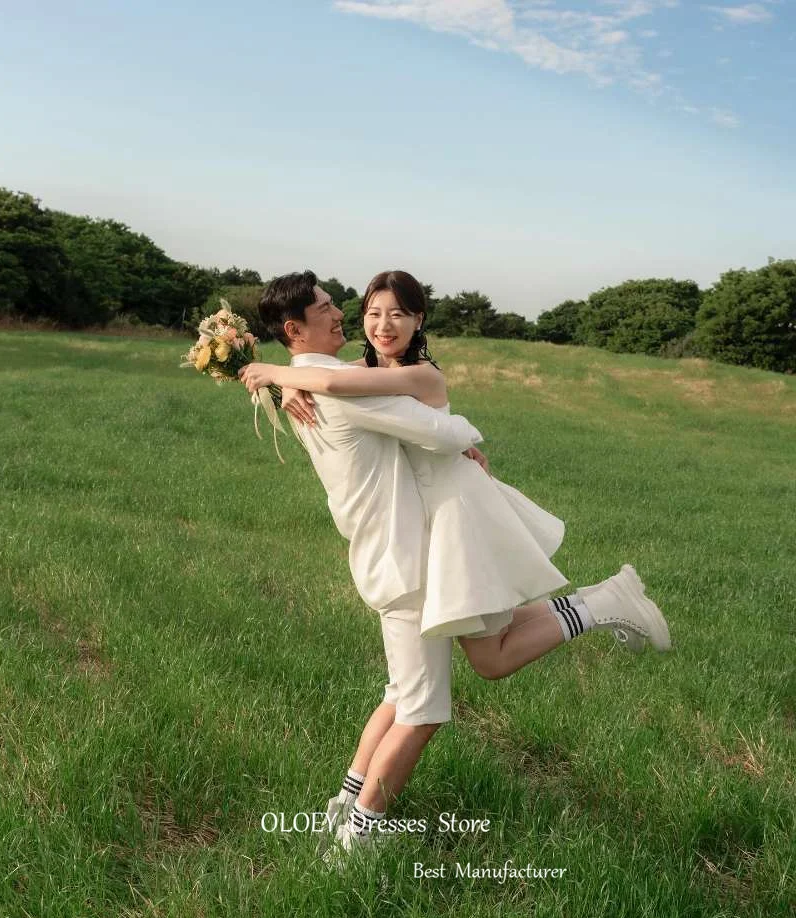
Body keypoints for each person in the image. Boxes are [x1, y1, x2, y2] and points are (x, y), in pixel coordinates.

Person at [239, 270, 669, 860]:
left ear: (418, 321)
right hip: (409, 557)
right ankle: (353, 831)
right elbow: (437, 428)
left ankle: (351, 822)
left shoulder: (328, 380)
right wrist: (461, 435)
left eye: (387, 313)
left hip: (417, 551)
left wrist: (279, 373)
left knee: (417, 694)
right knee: (423, 697)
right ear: (294, 327)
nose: (344, 314)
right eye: (329, 308)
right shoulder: (333, 381)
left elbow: (404, 410)